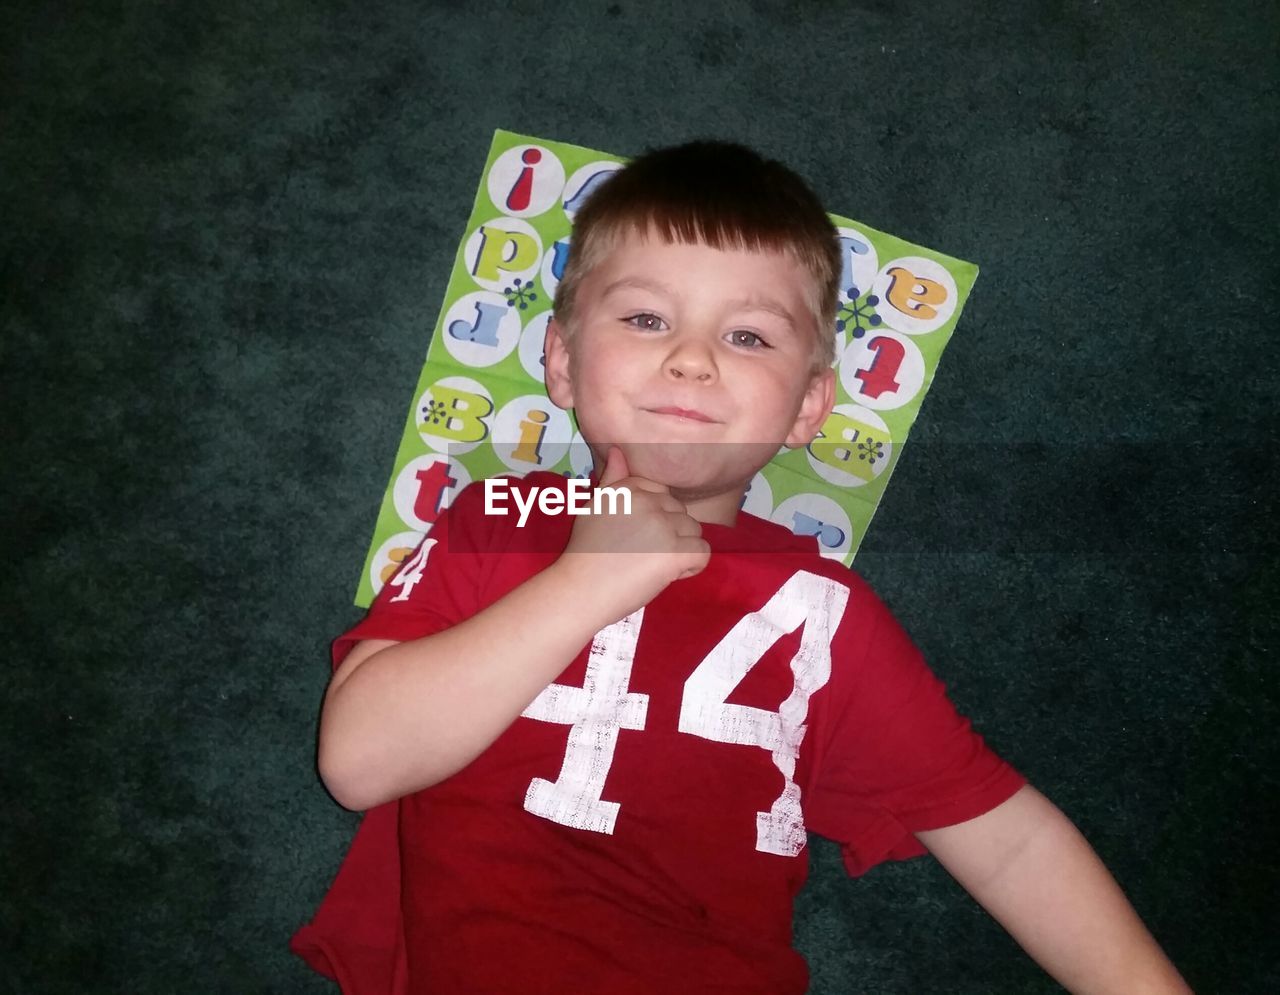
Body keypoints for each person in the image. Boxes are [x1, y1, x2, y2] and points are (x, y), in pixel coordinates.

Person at [292, 142, 1190, 993]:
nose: (690, 358)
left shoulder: (823, 610)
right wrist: (584, 580)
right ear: (562, 361)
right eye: (646, 319)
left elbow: (1006, 839)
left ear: (806, 406)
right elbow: (360, 761)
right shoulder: (500, 518)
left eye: (750, 338)